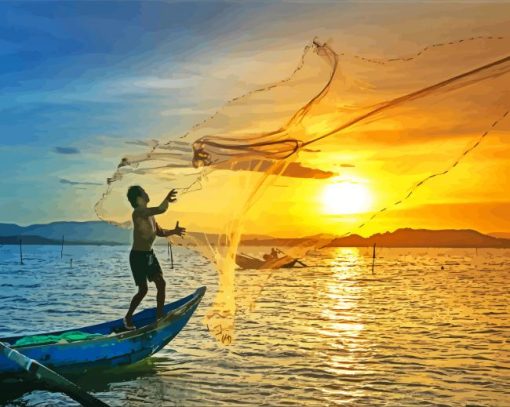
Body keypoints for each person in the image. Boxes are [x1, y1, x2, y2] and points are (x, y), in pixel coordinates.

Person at [123, 186, 186, 330]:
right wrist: (167, 199)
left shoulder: (150, 215)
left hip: (149, 255)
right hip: (138, 256)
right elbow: (161, 209)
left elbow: (159, 231)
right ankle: (127, 318)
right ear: (139, 199)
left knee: (161, 283)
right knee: (143, 290)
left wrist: (174, 231)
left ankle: (159, 316)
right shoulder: (138, 212)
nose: (147, 193)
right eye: (144, 192)